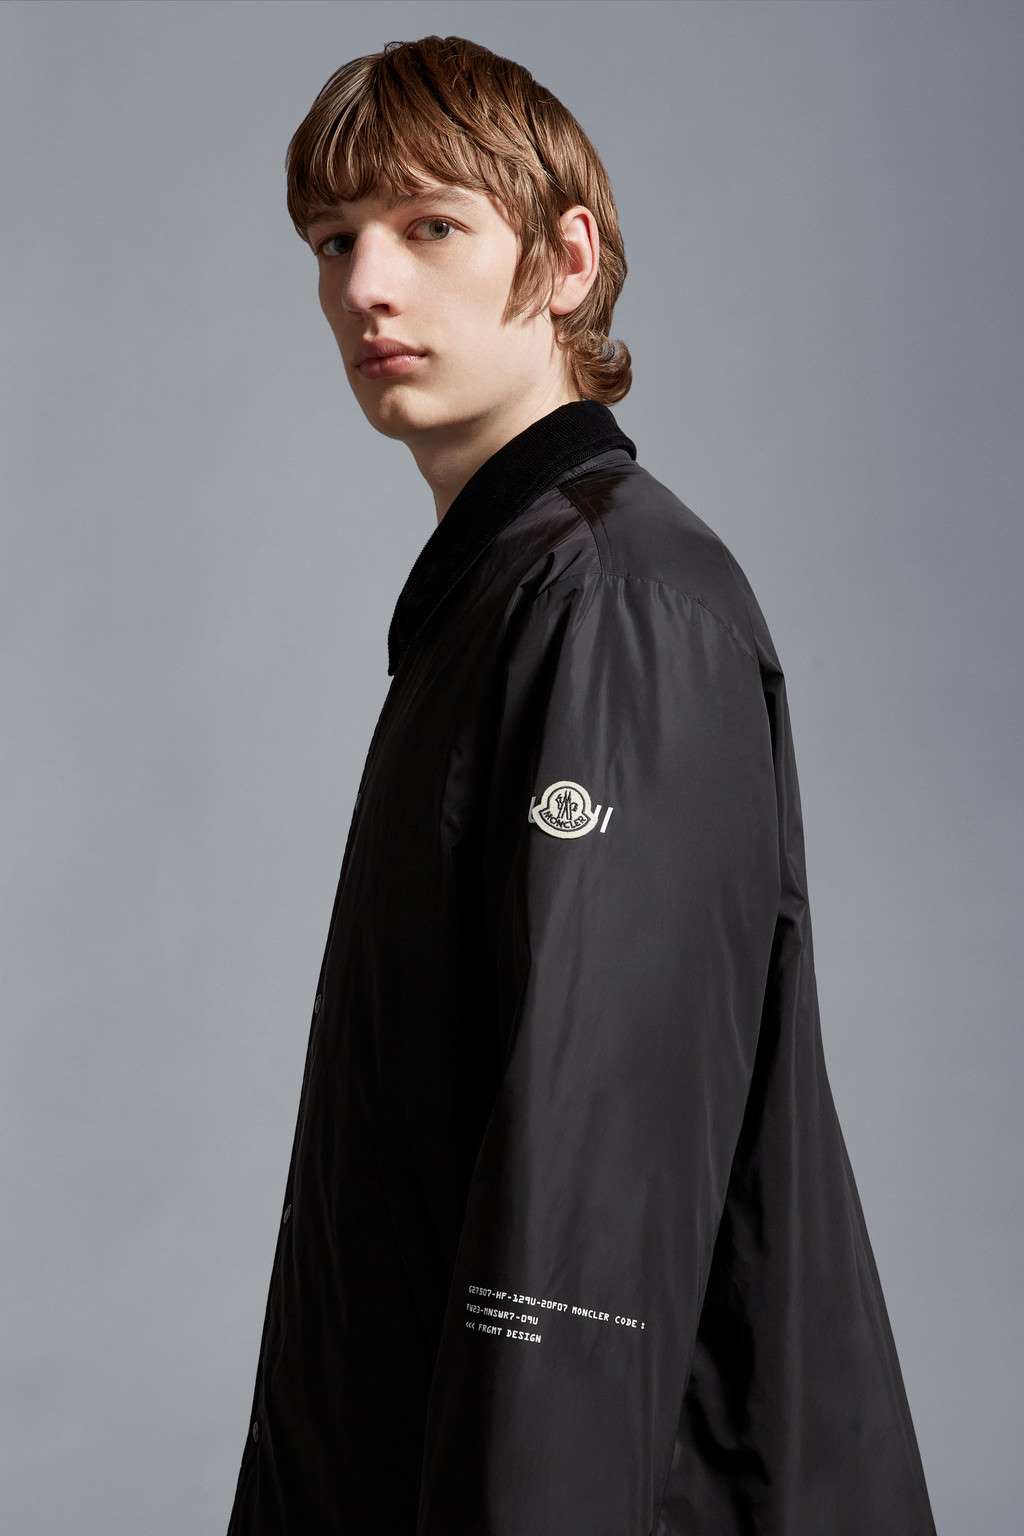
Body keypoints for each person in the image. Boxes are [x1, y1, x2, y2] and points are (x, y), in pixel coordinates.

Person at [225, 33, 938, 1536]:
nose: (366, 287)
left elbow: (584, 1220)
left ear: (565, 260)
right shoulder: (505, 598)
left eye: (429, 227)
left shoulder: (613, 604)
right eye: (335, 242)